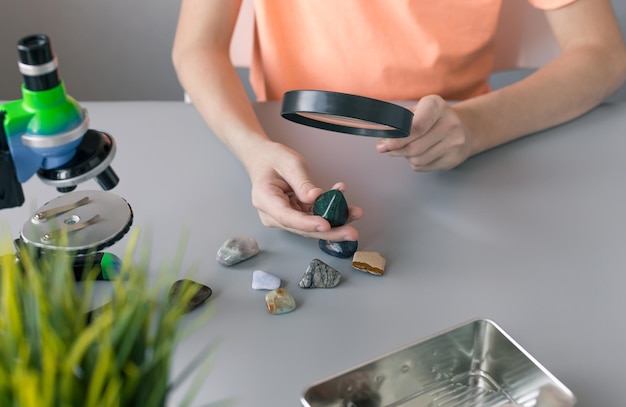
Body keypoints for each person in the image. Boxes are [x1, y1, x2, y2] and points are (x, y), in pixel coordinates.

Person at [172, 0, 626, 242]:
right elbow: (196, 46)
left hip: (460, 156)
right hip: (290, 151)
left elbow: (603, 55)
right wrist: (253, 149)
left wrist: (478, 125)